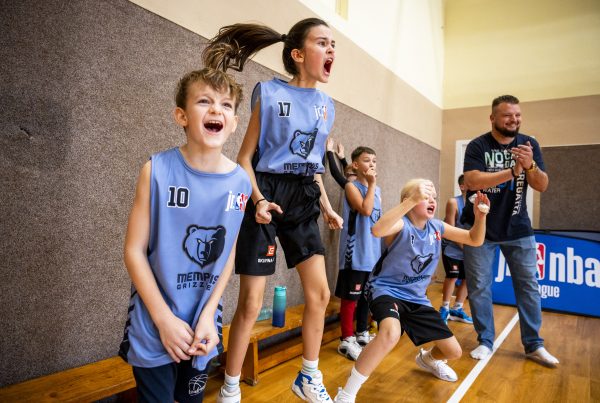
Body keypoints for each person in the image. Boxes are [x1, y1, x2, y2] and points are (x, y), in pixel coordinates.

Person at [203, 18, 344, 403]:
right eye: (322, 43)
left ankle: (308, 377)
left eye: (333, 44)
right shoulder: (268, 93)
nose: (331, 50)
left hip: (303, 196)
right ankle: (230, 388)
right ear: (297, 54)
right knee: (251, 303)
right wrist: (258, 200)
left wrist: (327, 207)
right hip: (264, 191)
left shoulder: (327, 106)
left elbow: (314, 166)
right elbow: (244, 158)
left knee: (320, 294)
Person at [118, 68, 251, 402]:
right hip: (154, 322)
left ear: (234, 123)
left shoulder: (240, 183)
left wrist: (209, 313)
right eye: (204, 101)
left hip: (203, 324)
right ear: (181, 116)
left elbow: (228, 254)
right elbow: (133, 251)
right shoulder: (156, 170)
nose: (216, 109)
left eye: (226, 104)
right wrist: (163, 319)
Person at [334, 179, 489, 402]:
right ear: (410, 200)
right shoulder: (401, 225)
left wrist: (480, 217)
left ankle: (428, 359)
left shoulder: (437, 227)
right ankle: (346, 394)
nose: (432, 200)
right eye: (425, 197)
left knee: (453, 352)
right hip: (386, 291)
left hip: (417, 298)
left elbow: (475, 239)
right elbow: (377, 229)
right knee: (390, 333)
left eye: (434, 197)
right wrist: (411, 200)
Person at [461, 95, 559, 367]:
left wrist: (530, 166)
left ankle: (534, 345)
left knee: (529, 287)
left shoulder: (529, 145)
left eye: (517, 115)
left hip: (518, 227)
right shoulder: (478, 145)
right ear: (493, 118)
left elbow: (542, 185)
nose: (513, 120)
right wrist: (512, 172)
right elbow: (472, 180)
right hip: (480, 228)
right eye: (507, 115)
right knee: (479, 287)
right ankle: (485, 341)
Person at [335, 146, 381, 361]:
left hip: (372, 253)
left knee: (366, 297)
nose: (371, 164)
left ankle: (362, 333)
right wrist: (371, 184)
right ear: (355, 165)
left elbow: (376, 219)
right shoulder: (351, 187)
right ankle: (346, 339)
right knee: (350, 298)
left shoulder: (377, 190)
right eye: (366, 160)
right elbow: (366, 210)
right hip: (355, 254)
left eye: (374, 160)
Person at [439, 174, 473, 324]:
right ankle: (444, 308)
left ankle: (457, 309)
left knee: (468, 278)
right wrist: (466, 247)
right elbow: (450, 231)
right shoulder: (453, 202)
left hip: (468, 248)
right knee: (452, 276)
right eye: (471, 182)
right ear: (462, 186)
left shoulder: (478, 204)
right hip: (452, 247)